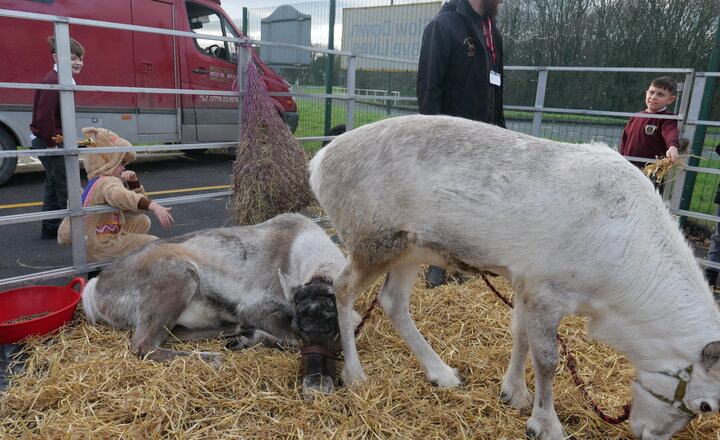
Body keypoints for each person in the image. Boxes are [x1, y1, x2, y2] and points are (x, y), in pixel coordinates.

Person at [417, 0, 505, 287]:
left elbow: (497, 87)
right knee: (443, 200)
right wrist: (434, 139)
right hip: (451, 139)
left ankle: (467, 261)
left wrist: (500, 133)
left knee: (476, 201)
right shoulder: (442, 26)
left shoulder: (493, 31)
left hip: (486, 137)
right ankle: (436, 263)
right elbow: (429, 87)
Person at [57, 127, 174, 263]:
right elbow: (119, 195)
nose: (124, 168)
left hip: (93, 237)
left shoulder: (97, 181)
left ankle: (126, 258)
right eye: (121, 163)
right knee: (153, 243)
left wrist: (134, 182)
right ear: (108, 163)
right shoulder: (108, 181)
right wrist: (153, 206)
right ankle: (126, 268)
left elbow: (132, 208)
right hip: (102, 244)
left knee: (142, 220)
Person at [30, 36, 86, 239]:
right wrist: (52, 143)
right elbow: (43, 116)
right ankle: (72, 232)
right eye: (72, 58)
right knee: (66, 186)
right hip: (51, 142)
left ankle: (51, 226)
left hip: (51, 140)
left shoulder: (62, 79)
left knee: (54, 183)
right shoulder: (52, 81)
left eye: (80, 59)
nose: (78, 62)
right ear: (55, 57)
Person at [619, 76, 680, 173]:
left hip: (651, 171)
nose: (654, 97)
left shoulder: (668, 118)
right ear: (646, 93)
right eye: (651, 92)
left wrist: (672, 146)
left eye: (660, 94)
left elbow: (670, 132)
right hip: (628, 168)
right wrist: (620, 157)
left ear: (670, 100)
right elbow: (625, 139)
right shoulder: (636, 116)